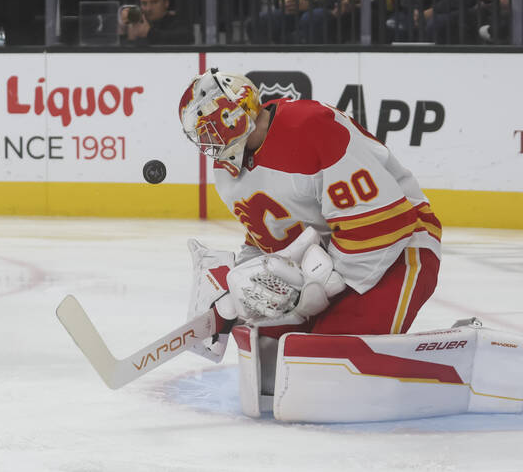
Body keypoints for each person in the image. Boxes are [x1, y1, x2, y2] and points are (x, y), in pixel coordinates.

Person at [177, 69, 441, 398]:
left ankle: (441, 365)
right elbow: (270, 242)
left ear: (233, 114)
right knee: (270, 364)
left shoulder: (310, 126)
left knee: (321, 372)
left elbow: (384, 221)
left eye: (209, 129)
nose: (207, 143)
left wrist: (325, 286)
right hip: (321, 266)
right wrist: (238, 288)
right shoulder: (228, 175)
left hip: (398, 247)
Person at [118, 0, 192, 45]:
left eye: (154, 2)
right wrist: (127, 36)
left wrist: (149, 33)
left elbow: (187, 38)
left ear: (166, 3)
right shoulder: (138, 20)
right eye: (144, 3)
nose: (148, 8)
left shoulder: (177, 21)